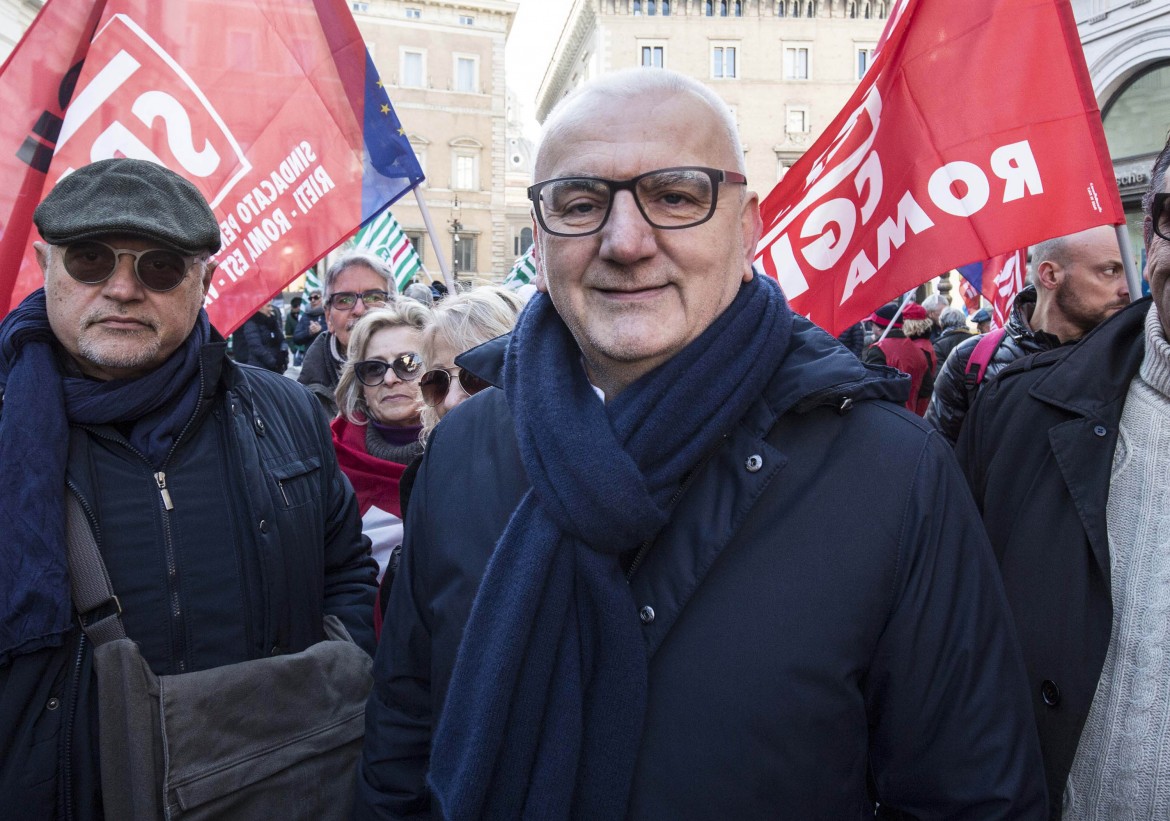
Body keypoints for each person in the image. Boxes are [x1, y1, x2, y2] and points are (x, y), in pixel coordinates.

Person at [355, 68, 1045, 819]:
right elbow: (400, 752)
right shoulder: (459, 456)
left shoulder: (895, 476)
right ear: (542, 231)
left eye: (676, 196)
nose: (625, 240)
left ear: (747, 227)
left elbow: (972, 797)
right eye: (581, 203)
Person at [0, 157, 377, 818]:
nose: (121, 288)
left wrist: (333, 663)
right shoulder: (10, 426)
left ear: (203, 280)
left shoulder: (287, 412)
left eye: (159, 266)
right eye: (90, 259)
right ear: (46, 263)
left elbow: (344, 566)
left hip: (276, 786)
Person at [956, 141, 1169, 818]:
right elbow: (953, 633)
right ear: (1149, 233)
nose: (1116, 286)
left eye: (1116, 273)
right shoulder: (1011, 403)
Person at [926, 225, 1126, 444]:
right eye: (1110, 271)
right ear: (1050, 275)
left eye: (1129, 272)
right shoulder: (971, 359)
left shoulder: (1131, 359)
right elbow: (938, 461)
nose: (1126, 288)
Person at [331, 303, 430, 581]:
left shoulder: (467, 452)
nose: (389, 379)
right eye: (374, 368)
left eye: (409, 364)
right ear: (359, 383)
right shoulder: (329, 458)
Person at [297, 253, 392, 417]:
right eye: (345, 300)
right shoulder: (299, 400)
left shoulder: (425, 379)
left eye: (373, 297)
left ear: (393, 307)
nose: (359, 310)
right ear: (328, 318)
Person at [862, 301, 935, 415]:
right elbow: (926, 390)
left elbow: (871, 388)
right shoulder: (918, 350)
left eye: (872, 325)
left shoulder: (879, 349)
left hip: (886, 416)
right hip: (912, 417)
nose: (872, 329)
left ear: (879, 327)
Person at [234, 301, 288, 373]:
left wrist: (283, 353)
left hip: (277, 367)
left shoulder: (273, 321)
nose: (271, 309)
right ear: (259, 308)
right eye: (268, 306)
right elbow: (256, 347)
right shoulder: (251, 323)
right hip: (260, 368)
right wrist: (273, 362)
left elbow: (282, 340)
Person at [285, 294, 305, 364]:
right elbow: (288, 335)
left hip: (307, 348)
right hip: (297, 350)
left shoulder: (305, 315)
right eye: (294, 306)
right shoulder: (289, 317)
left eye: (298, 306)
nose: (297, 308)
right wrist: (293, 349)